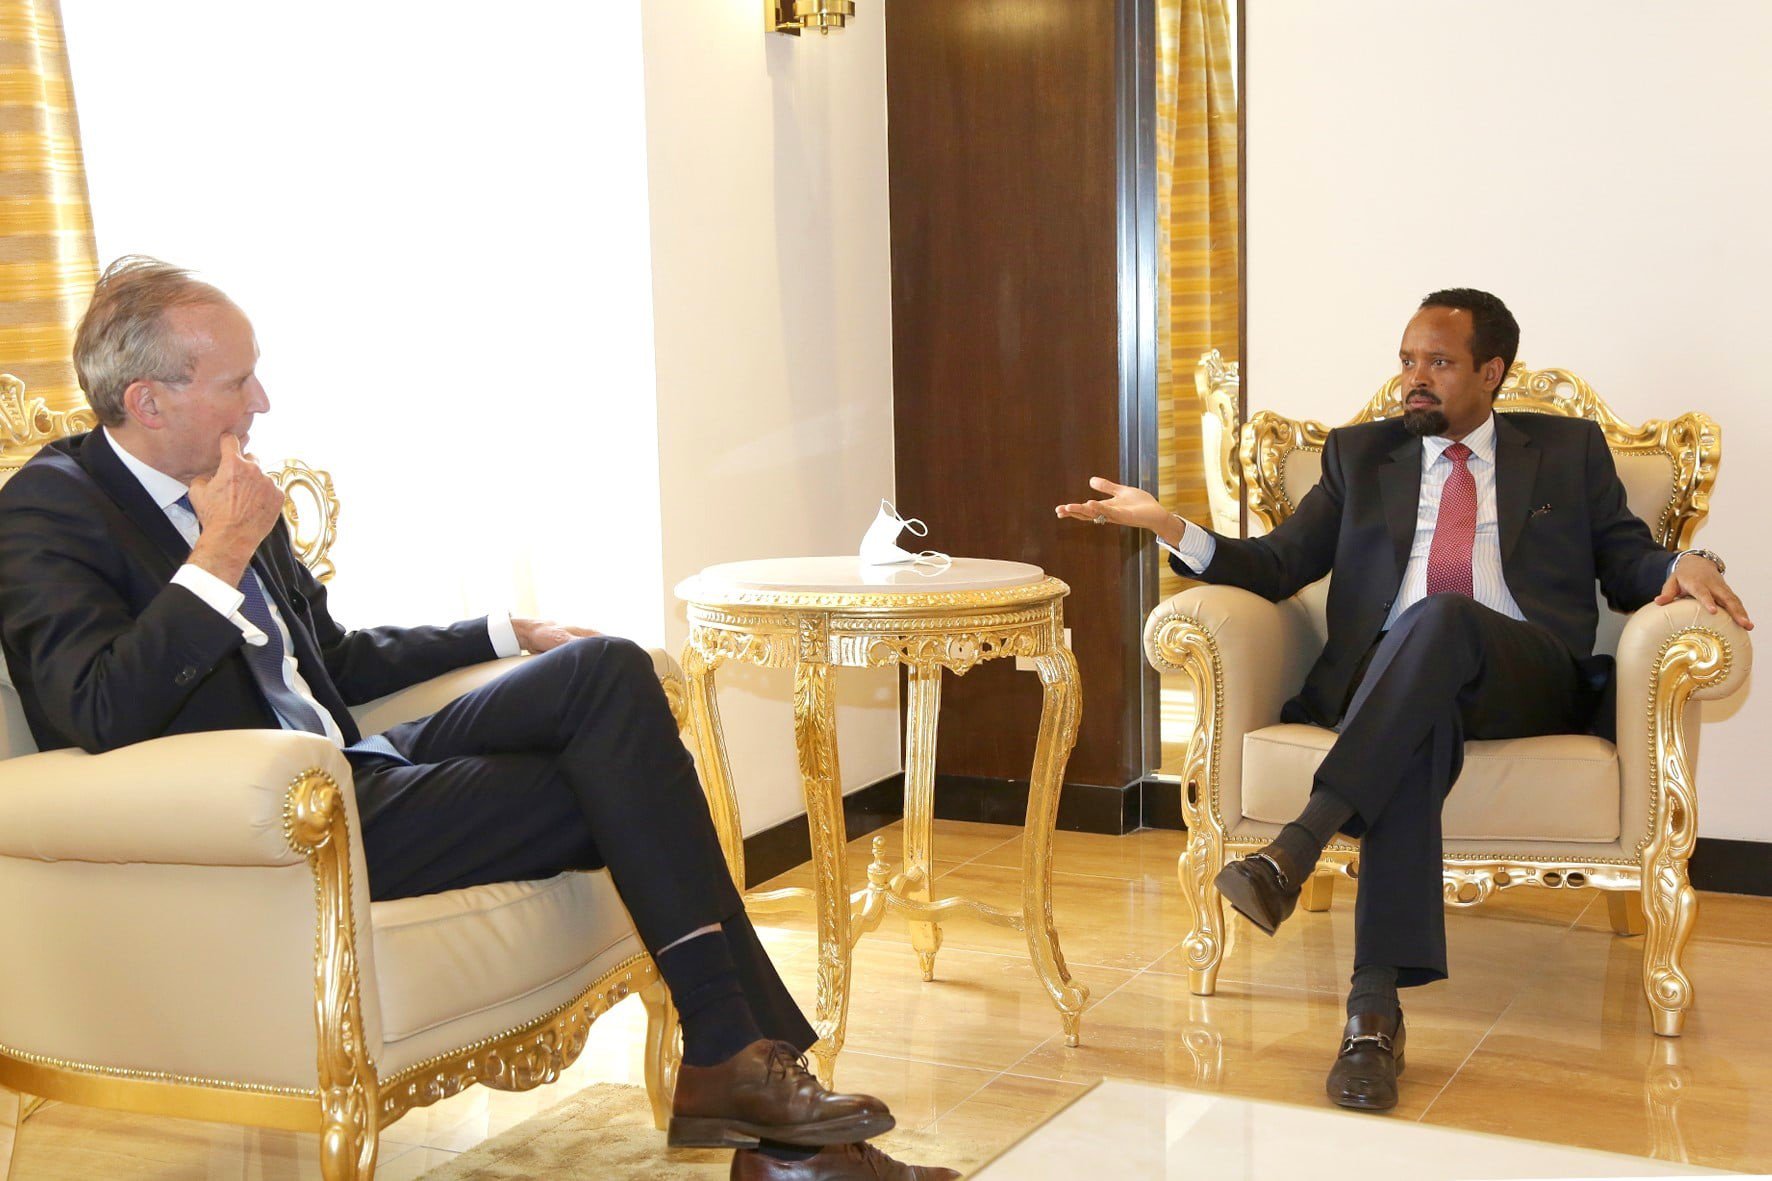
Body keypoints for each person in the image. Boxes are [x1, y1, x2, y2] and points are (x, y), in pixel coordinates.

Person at [0, 256, 958, 1181]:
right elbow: (96, 707)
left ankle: (735, 1067)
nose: (263, 402)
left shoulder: (229, 487)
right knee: (633, 786)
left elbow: (330, 658)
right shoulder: (51, 510)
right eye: (238, 381)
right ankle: (761, 1099)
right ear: (148, 401)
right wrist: (218, 554)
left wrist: (505, 631)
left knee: (604, 673)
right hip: (284, 822)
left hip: (360, 761)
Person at [1057, 288, 1753, 1112]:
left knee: (1443, 615)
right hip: (1397, 685)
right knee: (1417, 724)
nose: (1413, 378)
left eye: (1439, 362)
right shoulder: (1361, 455)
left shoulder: (1567, 452)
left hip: (1524, 675)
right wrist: (1172, 526)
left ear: (1492, 372)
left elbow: (1628, 560)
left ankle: (1300, 841)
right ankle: (1371, 1018)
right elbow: (1276, 564)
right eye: (1407, 360)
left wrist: (1687, 563)